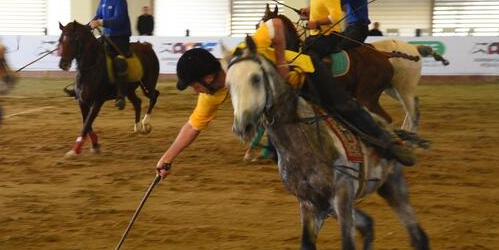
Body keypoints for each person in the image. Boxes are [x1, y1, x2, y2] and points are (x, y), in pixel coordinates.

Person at [154, 18, 416, 179]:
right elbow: (192, 126)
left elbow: (276, 25)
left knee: (344, 107)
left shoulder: (244, 52)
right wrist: (166, 158)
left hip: (306, 73)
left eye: (193, 85)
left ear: (208, 78)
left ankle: (389, 144)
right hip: (286, 101)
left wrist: (280, 63)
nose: (194, 91)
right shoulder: (213, 93)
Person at [89, 0, 132, 110]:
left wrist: (100, 23)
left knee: (119, 62)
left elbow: (118, 20)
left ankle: (120, 95)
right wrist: (88, 26)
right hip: (106, 37)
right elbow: (97, 15)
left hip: (120, 38)